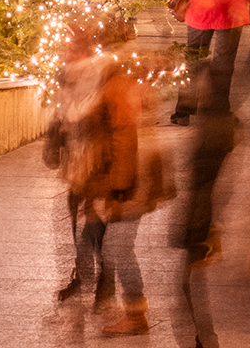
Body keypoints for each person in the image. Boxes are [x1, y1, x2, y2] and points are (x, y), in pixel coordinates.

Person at [57, 20, 161, 335]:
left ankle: (135, 313)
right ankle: (124, 304)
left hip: (133, 180)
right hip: (129, 178)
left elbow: (124, 137)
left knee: (117, 248)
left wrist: (117, 187)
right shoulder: (112, 81)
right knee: (113, 244)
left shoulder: (115, 84)